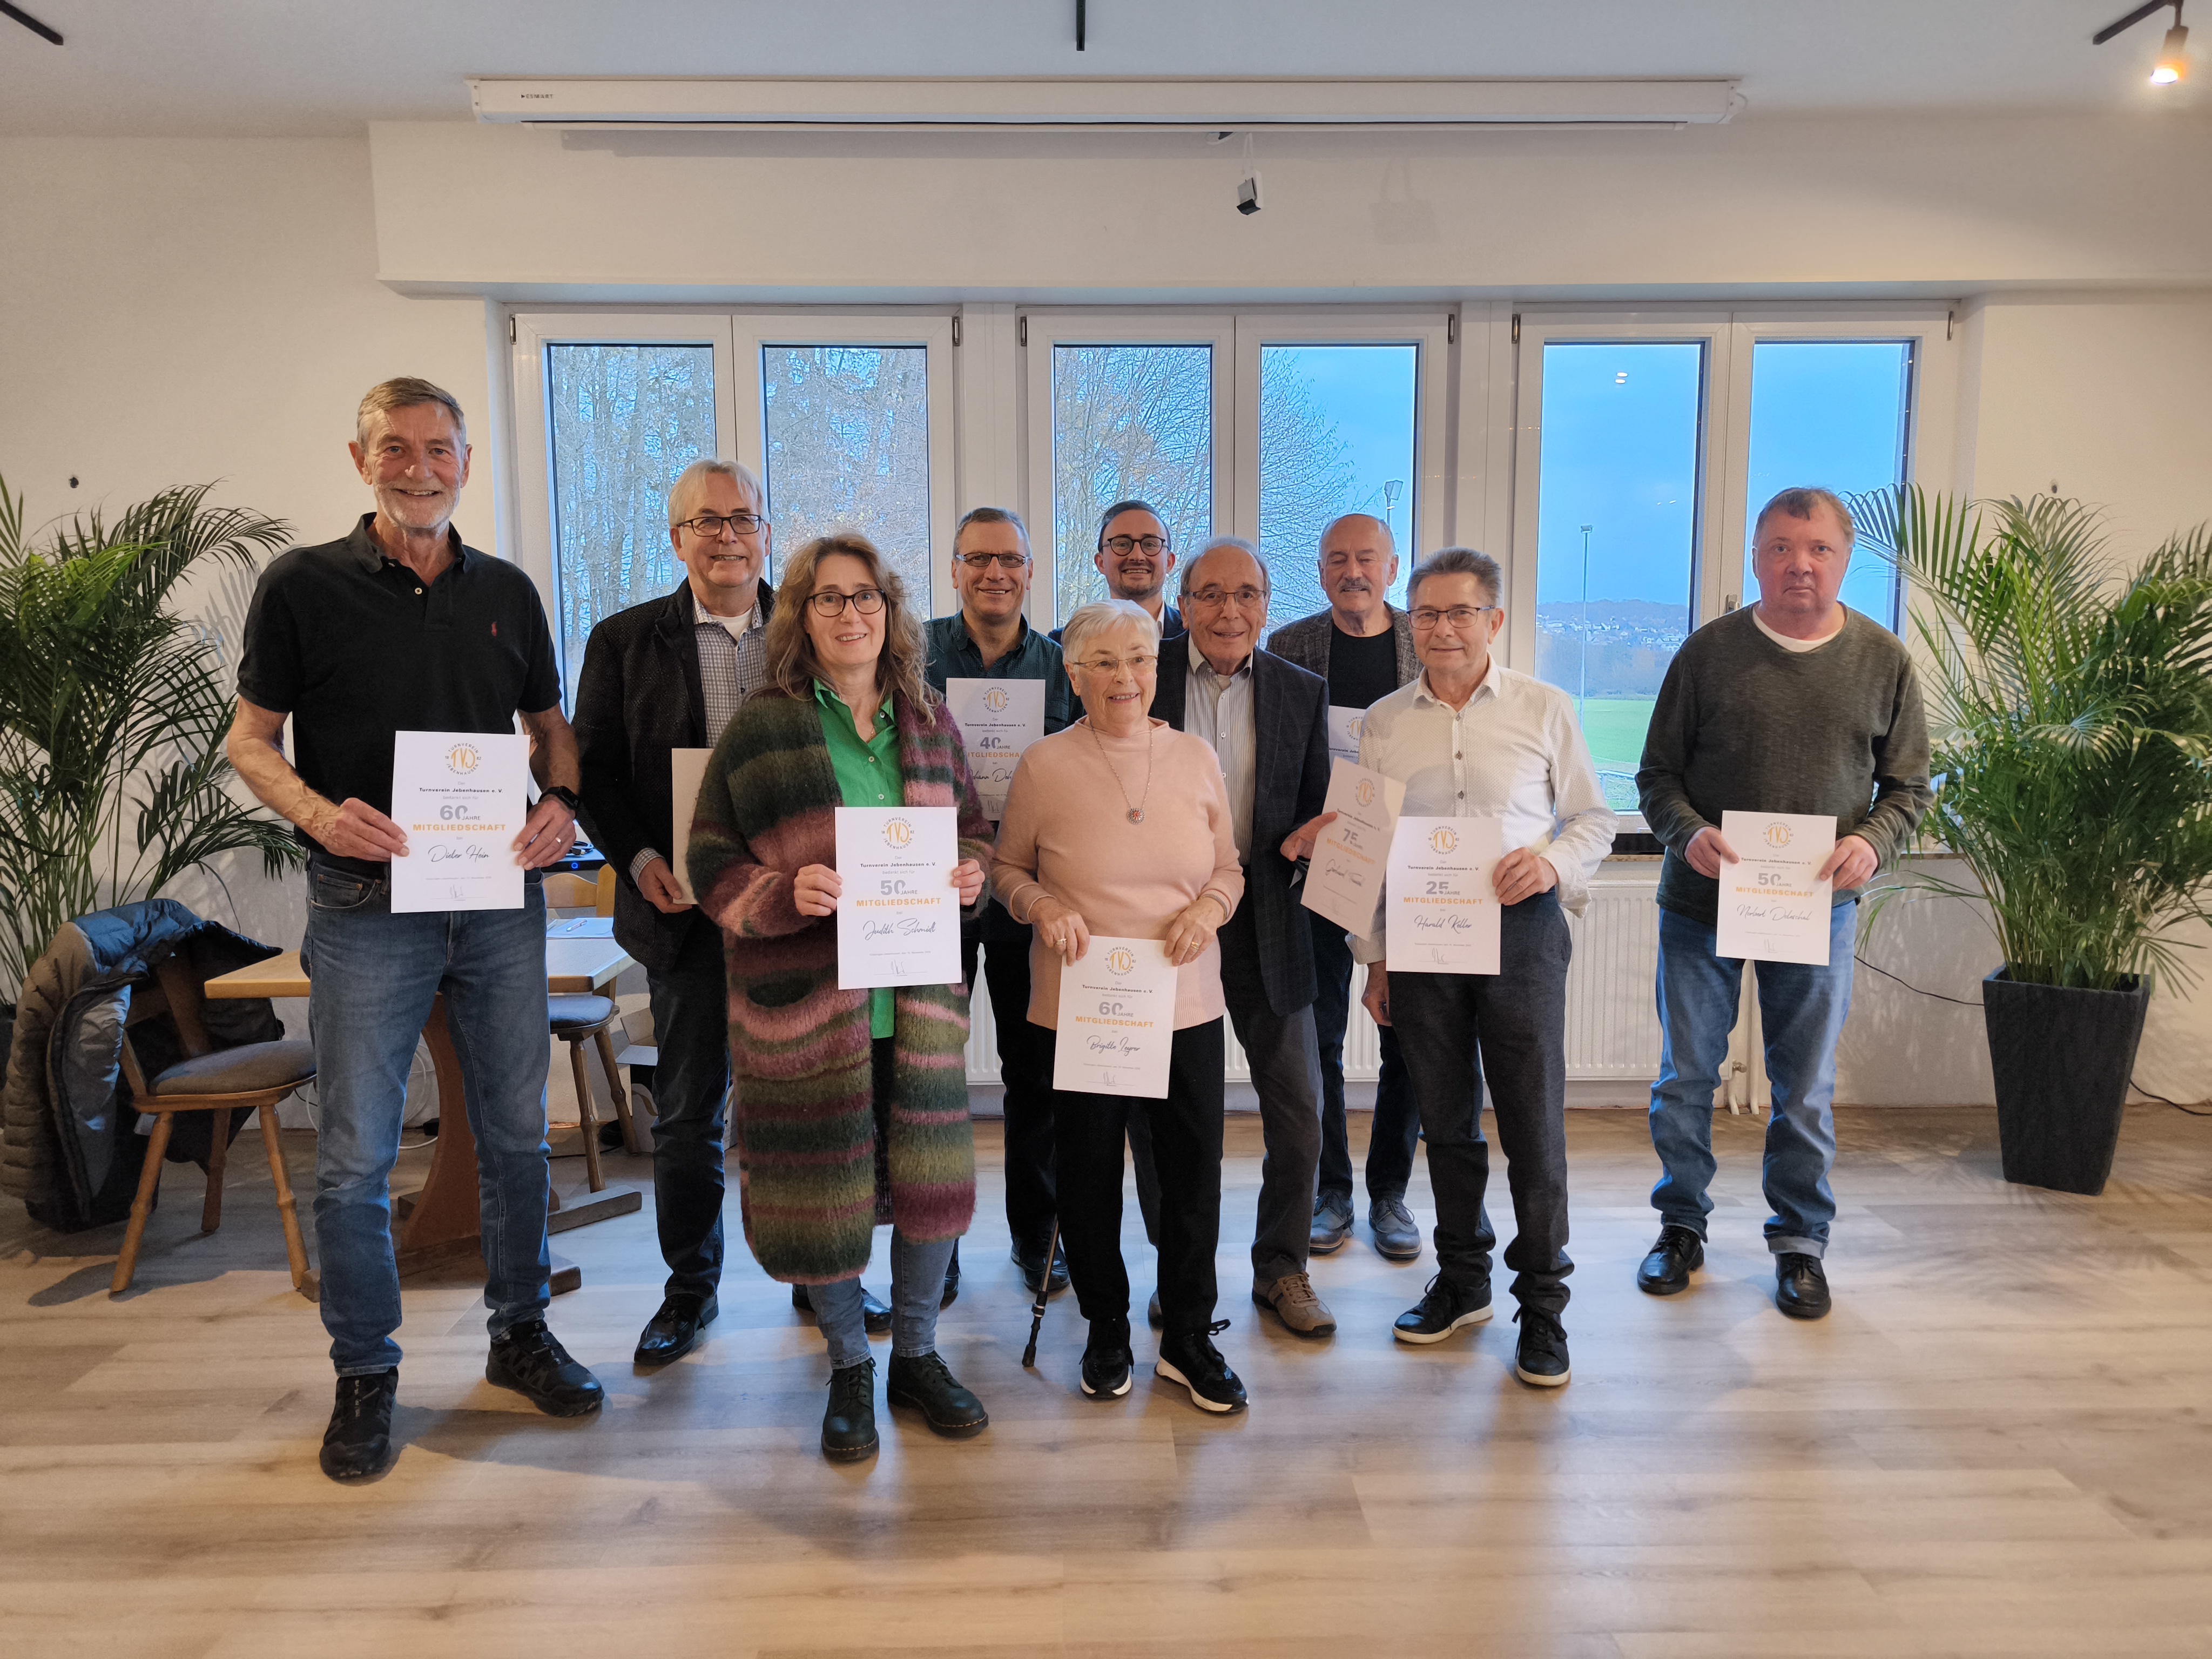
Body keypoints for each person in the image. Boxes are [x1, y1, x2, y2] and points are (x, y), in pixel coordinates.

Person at [228, 377, 602, 1483]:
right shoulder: (302, 585)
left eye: (440, 449)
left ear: (466, 465)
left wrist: (560, 802)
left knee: (518, 1137)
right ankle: (365, 1373)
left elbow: (549, 729)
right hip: (364, 906)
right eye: (396, 448)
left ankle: (520, 1334)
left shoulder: (508, 592)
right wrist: (317, 813)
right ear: (361, 462)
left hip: (495, 903)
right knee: (354, 1156)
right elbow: (250, 741)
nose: (420, 467)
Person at [686, 531, 995, 1462]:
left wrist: (970, 874)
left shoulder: (929, 720)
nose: (850, 613)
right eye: (829, 598)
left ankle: (919, 1356)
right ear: (801, 615)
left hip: (917, 1002)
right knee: (821, 1189)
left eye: (866, 596)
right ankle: (851, 1364)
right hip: (809, 1007)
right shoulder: (764, 726)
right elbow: (709, 859)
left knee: (930, 1182)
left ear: (890, 612)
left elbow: (973, 832)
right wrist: (782, 894)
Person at [1634, 487, 1931, 1320]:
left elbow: (1908, 788)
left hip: (1818, 908)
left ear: (1845, 559)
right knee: (1688, 1076)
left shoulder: (1883, 660)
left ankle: (1801, 1243)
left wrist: (1871, 843)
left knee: (1803, 1086)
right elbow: (1657, 777)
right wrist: (1688, 832)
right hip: (1699, 905)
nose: (1800, 565)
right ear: (1757, 558)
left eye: (1818, 549)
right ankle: (1680, 1227)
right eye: (1781, 549)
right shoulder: (1707, 654)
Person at [1355, 548, 1615, 1387]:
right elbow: (1368, 846)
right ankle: (1464, 1280)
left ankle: (1542, 1305)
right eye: (1427, 614)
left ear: (1494, 620)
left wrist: (1550, 864)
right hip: (1421, 942)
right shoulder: (1384, 722)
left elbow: (1593, 820)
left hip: (1523, 933)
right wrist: (1376, 957)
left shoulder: (1546, 708)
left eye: (1461, 612)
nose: (1443, 629)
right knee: (1445, 1121)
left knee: (1533, 1125)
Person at [993, 599, 1250, 1412]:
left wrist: (1208, 909)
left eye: (1138, 658)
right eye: (1102, 662)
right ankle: (1106, 1325)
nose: (1124, 677)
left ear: (1156, 667)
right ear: (1074, 675)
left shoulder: (1196, 758)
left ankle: (1188, 1335)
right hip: (1085, 1005)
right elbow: (1006, 870)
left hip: (1184, 1002)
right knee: (1090, 1173)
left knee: (1192, 1177)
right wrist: (1041, 906)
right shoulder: (1044, 765)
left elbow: (1229, 870)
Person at [573, 458, 780, 1368]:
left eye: (743, 519)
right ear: (677, 538)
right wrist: (642, 859)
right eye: (708, 521)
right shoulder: (624, 640)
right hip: (684, 915)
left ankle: (820, 1278)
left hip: (797, 915)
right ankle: (690, 1289)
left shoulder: (812, 628)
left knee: (803, 1106)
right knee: (691, 1113)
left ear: (765, 532)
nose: (727, 535)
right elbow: (592, 772)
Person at [1132, 537, 1336, 1337]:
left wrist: (1313, 839)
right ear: (1183, 603)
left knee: (1300, 1113)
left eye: (1246, 594)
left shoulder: (1301, 691)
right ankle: (1179, 1270)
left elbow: (1316, 803)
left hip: (1268, 924)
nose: (1229, 611)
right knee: (1165, 1117)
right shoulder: (1141, 671)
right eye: (1211, 594)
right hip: (1165, 926)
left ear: (1266, 603)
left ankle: (1282, 1265)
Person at [1266, 511, 1427, 1262]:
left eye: (1367, 558)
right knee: (1321, 1036)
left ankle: (1389, 1192)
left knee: (1410, 1038)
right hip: (1323, 867)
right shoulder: (1289, 646)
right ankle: (1330, 1191)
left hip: (1415, 870)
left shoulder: (1428, 639)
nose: (1352, 572)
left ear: (1392, 569)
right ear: (1321, 571)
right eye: (1337, 559)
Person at [922, 506, 1075, 1297]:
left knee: (1034, 1076)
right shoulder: (908, 653)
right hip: (930, 890)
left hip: (1024, 891)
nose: (994, 573)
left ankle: (1036, 1235)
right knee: (931, 1077)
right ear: (954, 569)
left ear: (1030, 572)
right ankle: (935, 1247)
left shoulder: (1062, 666)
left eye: (1010, 560)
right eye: (978, 559)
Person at [1050, 500, 1185, 644]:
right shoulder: (1064, 643)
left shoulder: (1194, 634)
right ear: (1101, 562)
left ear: (1169, 562)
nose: (1137, 556)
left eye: (1150, 544)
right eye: (1122, 544)